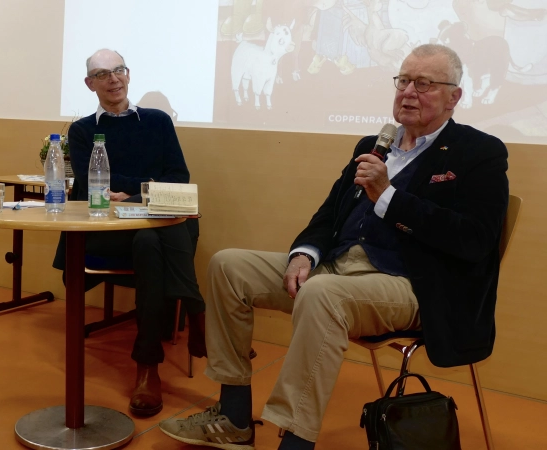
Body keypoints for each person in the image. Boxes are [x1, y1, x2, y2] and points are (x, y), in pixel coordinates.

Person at [159, 43, 509, 449]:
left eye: (425, 83)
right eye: (403, 80)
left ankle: (295, 440)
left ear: (454, 97)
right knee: (228, 266)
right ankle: (235, 414)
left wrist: (389, 196)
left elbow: (476, 240)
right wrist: (304, 254)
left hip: (412, 284)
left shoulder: (479, 152)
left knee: (323, 295)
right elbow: (329, 215)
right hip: (341, 267)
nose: (408, 92)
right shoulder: (374, 144)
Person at [52, 49, 207, 417]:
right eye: (103, 74)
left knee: (151, 239)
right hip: (110, 227)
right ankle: (197, 312)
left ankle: (148, 366)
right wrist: (148, 187)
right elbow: (94, 183)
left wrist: (134, 193)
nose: (114, 79)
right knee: (152, 236)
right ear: (90, 84)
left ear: (129, 74)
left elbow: (179, 177)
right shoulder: (83, 130)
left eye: (119, 70)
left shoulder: (157, 121)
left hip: (154, 223)